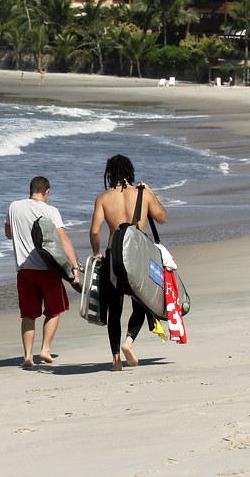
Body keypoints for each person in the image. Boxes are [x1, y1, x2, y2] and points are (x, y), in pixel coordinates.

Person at [89, 154, 168, 371]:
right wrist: (150, 192)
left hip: (113, 256)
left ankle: (116, 360)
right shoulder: (142, 194)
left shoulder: (103, 198)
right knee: (141, 304)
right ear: (129, 172)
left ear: (109, 174)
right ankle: (128, 342)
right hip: (138, 256)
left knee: (114, 309)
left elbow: (95, 230)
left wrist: (96, 252)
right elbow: (162, 217)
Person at [4, 176, 80, 367]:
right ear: (47, 192)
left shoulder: (14, 207)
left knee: (28, 314)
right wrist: (75, 267)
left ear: (30, 190)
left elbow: (8, 233)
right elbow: (63, 240)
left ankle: (28, 356)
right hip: (48, 270)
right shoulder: (51, 211)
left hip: (24, 270)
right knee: (55, 310)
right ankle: (45, 349)